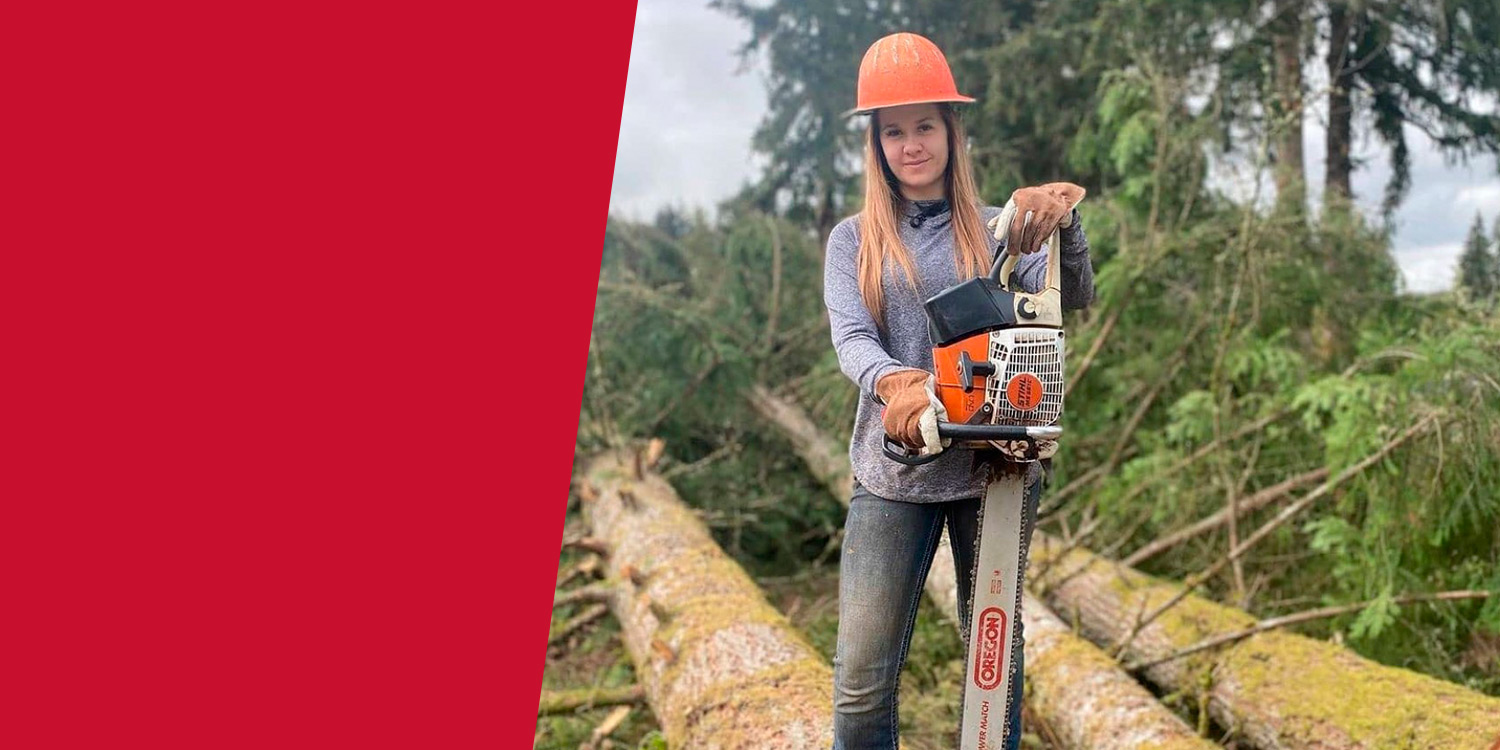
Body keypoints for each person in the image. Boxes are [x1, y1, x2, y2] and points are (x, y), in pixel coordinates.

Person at [822, 32, 1097, 750]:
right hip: (893, 470)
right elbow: (853, 340)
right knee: (861, 676)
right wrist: (900, 385)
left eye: (924, 126)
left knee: (993, 668)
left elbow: (1068, 302)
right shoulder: (853, 241)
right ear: (876, 143)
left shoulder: (1002, 228)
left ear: (950, 130)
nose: (910, 144)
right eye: (893, 130)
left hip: (996, 467)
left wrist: (1064, 225)